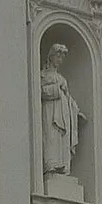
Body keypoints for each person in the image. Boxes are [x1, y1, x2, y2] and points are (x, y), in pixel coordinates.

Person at [40, 42, 81, 178]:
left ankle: (62, 166)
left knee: (62, 139)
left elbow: (68, 98)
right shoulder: (43, 75)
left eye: (62, 57)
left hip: (63, 114)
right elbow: (41, 91)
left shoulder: (63, 79)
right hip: (50, 112)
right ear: (51, 57)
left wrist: (74, 110)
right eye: (58, 56)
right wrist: (57, 89)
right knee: (51, 137)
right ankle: (51, 166)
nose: (60, 60)